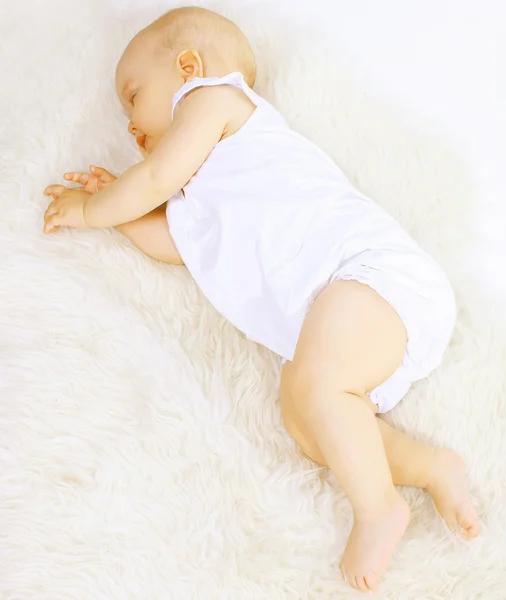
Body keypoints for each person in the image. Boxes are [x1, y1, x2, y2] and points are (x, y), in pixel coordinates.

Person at [42, 6, 479, 592]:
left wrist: (97, 208)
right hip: (348, 321)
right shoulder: (195, 199)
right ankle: (429, 468)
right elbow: (177, 245)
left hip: (375, 278)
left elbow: (150, 180)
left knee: (319, 384)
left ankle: (378, 509)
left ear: (188, 67)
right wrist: (122, 220)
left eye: (133, 96)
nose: (128, 124)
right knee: (305, 422)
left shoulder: (215, 104)